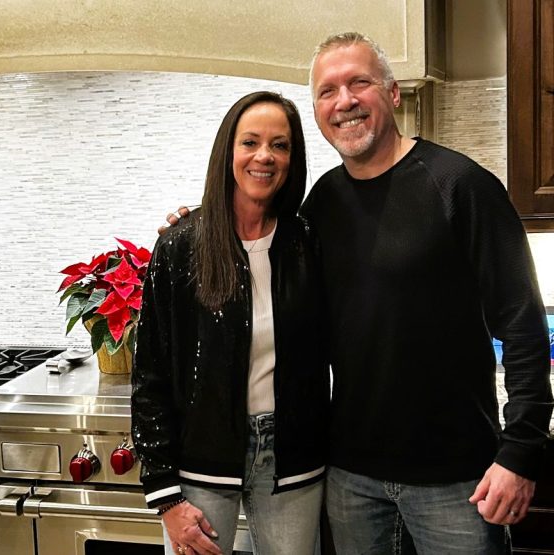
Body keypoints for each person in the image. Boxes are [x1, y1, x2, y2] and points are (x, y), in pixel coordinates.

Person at [165, 32, 553, 555]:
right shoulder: (320, 206)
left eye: (359, 83)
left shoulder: (461, 186)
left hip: (458, 479)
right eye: (328, 91)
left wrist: (520, 452)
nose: (344, 101)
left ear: (392, 94)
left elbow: (523, 326)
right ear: (319, 113)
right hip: (349, 479)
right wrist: (199, 224)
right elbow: (256, 246)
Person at [131, 91, 329, 555]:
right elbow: (151, 374)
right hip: (200, 463)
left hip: (292, 458)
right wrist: (165, 497)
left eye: (280, 145)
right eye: (251, 142)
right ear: (228, 151)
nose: (265, 156)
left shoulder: (308, 244)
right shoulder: (181, 247)